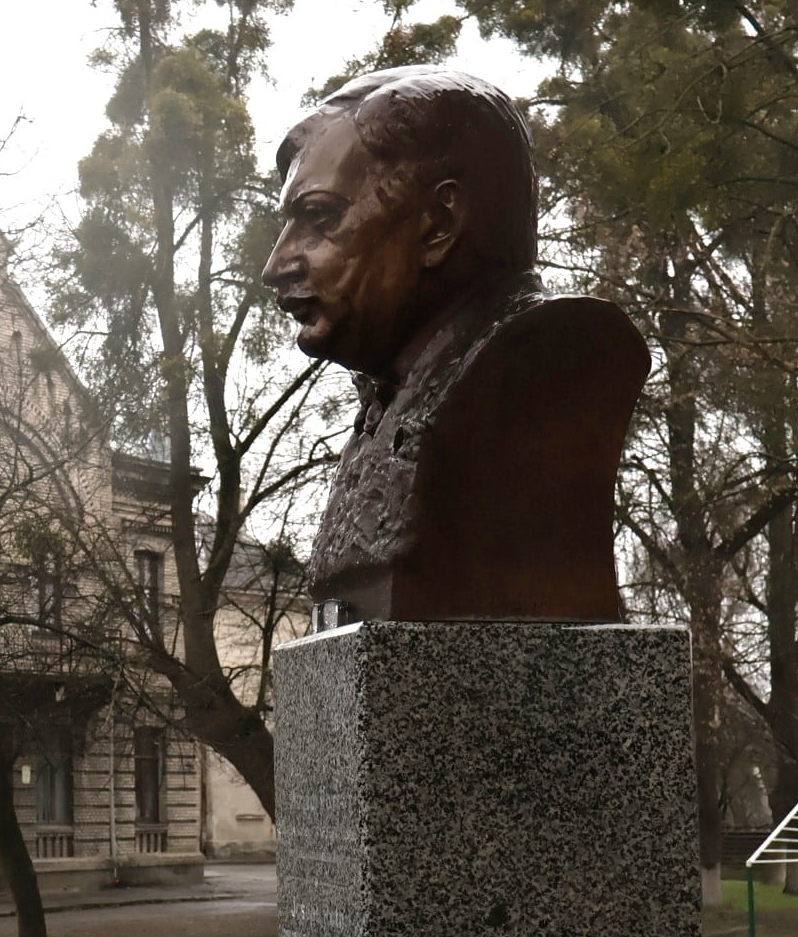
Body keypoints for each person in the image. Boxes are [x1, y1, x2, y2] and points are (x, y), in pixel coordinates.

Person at [261, 65, 649, 626]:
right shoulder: (389, 397)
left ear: (438, 223)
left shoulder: (544, 363)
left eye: (318, 217)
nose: (277, 265)